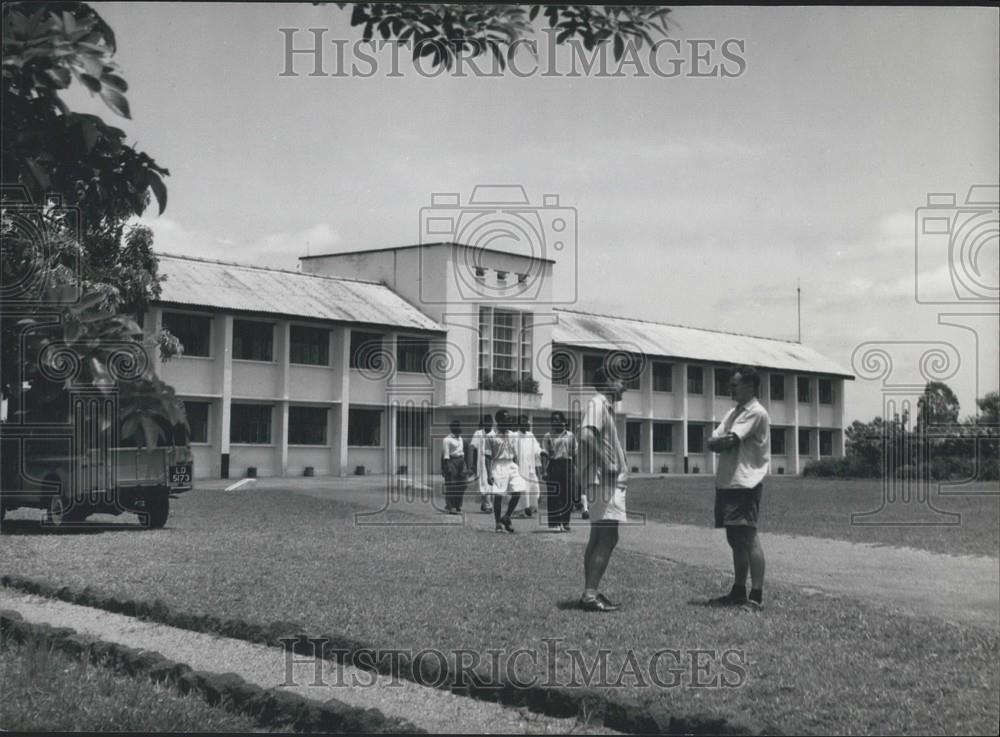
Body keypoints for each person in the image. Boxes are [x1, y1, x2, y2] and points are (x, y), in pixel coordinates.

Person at [707, 365, 770, 610]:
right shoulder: (734, 412)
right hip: (728, 481)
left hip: (745, 482)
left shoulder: (756, 412)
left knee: (747, 536)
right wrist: (716, 441)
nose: (730, 388)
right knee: (734, 537)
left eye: (735, 384)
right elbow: (715, 438)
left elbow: (727, 440)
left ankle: (756, 595)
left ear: (750, 386)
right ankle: (738, 591)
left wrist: (717, 441)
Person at [577, 366, 629, 612]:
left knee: (598, 536)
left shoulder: (603, 406)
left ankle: (591, 591)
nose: (625, 385)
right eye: (620, 380)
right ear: (608, 381)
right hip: (604, 480)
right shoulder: (597, 404)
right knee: (608, 537)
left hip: (601, 480)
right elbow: (586, 436)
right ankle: (590, 594)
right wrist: (606, 461)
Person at [485, 409, 526, 533]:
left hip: (511, 464)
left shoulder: (513, 435)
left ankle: (507, 516)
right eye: (507, 419)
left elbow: (515, 454)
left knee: (518, 490)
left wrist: (518, 467)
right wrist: (489, 474)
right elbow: (487, 456)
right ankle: (498, 522)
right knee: (498, 496)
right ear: (499, 421)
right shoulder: (490, 436)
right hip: (498, 465)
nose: (510, 422)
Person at [543, 411, 576, 532]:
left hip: (567, 464)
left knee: (568, 494)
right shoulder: (548, 436)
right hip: (554, 465)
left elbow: (574, 452)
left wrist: (575, 467)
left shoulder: (570, 435)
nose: (554, 422)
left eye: (557, 420)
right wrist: (544, 471)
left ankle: (565, 521)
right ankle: (556, 523)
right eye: (552, 420)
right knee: (554, 495)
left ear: (563, 421)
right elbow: (544, 453)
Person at [516, 414, 543, 518]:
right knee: (523, 488)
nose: (525, 424)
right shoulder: (515, 436)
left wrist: (543, 453)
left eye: (526, 422)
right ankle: (521, 509)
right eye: (522, 422)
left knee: (534, 486)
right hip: (520, 466)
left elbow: (537, 449)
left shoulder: (530, 435)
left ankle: (531, 507)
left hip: (531, 466)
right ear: (519, 424)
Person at [441, 420, 467, 514]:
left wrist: (465, 465)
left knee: (463, 484)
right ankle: (450, 506)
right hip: (451, 461)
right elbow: (446, 455)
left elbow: (462, 452)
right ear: (452, 428)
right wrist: (447, 467)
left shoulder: (461, 438)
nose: (460, 428)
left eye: (460, 426)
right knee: (451, 484)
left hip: (461, 460)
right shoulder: (447, 439)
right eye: (458, 426)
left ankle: (458, 504)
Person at [470, 414, 495, 513]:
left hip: (493, 463)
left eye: (490, 422)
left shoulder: (495, 434)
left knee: (492, 485)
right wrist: (472, 464)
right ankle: (488, 505)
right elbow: (473, 447)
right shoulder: (478, 433)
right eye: (486, 422)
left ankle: (485, 503)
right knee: (484, 483)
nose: (488, 424)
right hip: (482, 463)